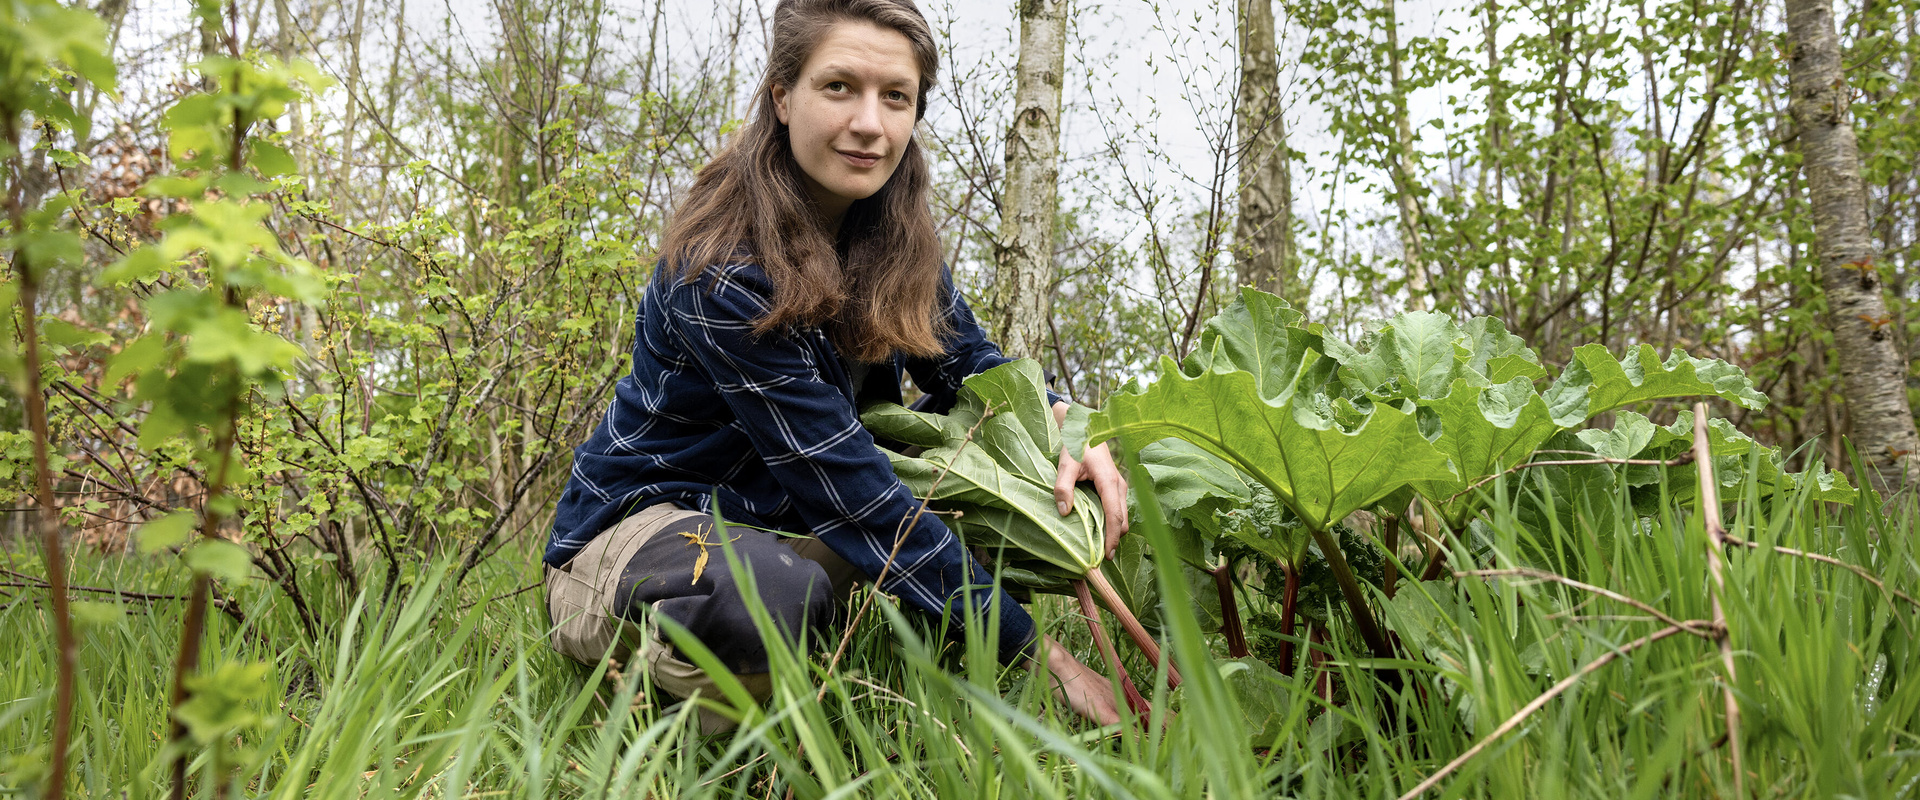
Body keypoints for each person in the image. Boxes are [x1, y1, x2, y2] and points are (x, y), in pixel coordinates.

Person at [542, 0, 1128, 732]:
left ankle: (931, 692)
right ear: (783, 97)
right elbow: (856, 497)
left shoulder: (893, 236)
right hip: (643, 536)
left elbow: (975, 372)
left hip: (785, 527)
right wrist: (1042, 655)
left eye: (896, 98)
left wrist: (1070, 431)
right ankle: (662, 718)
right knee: (774, 599)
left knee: (995, 466)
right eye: (839, 87)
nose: (870, 125)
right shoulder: (722, 268)